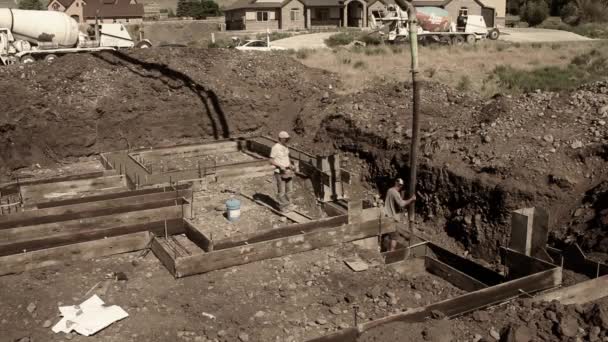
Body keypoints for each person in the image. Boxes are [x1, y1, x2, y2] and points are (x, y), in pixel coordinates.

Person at [383, 178, 416, 251]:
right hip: (392, 218)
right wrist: (411, 199)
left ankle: (386, 249)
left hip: (386, 216)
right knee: (394, 237)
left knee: (389, 235)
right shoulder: (395, 193)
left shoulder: (389, 190)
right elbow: (401, 204)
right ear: (400, 186)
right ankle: (391, 253)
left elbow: (396, 202)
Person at [270, 131, 294, 212]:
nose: (287, 140)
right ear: (281, 138)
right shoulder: (275, 147)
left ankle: (289, 205)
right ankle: (283, 207)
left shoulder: (286, 146)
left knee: (289, 189)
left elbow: (287, 157)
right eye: (286, 139)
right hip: (280, 172)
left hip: (288, 170)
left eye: (287, 138)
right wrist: (280, 166)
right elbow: (271, 160)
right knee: (282, 191)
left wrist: (290, 164)